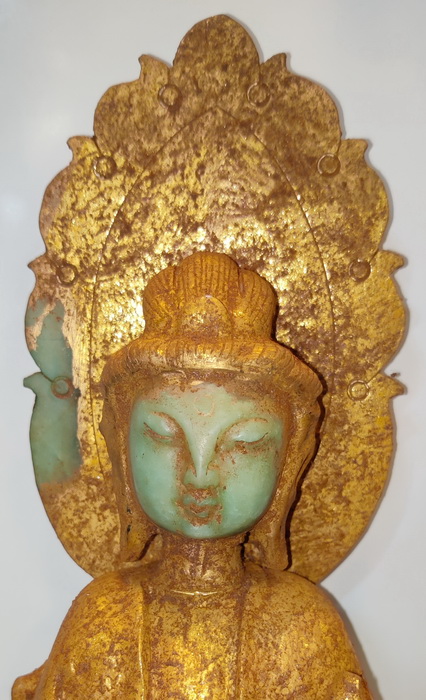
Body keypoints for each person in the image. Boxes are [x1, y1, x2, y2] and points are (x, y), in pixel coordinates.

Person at [15, 252, 371, 698]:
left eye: (244, 444)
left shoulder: (302, 624)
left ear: (287, 463)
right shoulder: (102, 617)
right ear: (123, 450)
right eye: (164, 437)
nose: (200, 476)